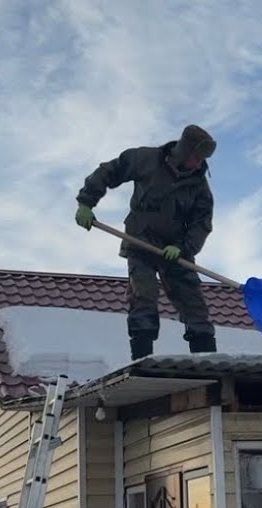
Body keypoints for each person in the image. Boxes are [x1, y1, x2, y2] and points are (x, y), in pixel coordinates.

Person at [74, 124, 218, 361]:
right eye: (195, 157)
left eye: (202, 160)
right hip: (140, 240)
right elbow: (110, 171)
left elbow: (202, 222)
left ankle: (207, 360)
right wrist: (86, 203)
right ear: (183, 151)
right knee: (144, 295)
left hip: (176, 248)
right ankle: (143, 359)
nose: (198, 164)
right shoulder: (145, 159)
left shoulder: (199, 185)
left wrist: (183, 248)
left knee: (193, 302)